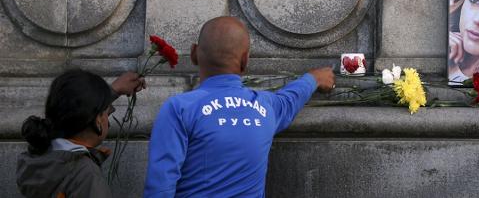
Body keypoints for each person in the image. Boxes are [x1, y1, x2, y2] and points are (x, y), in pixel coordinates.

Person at [143, 16, 335, 197]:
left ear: (194, 54)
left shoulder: (179, 109)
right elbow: (290, 98)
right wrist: (314, 78)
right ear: (245, 61)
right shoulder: (266, 107)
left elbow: (160, 187)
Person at [16, 70, 146, 198]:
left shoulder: (39, 158)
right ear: (98, 121)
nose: (108, 117)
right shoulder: (85, 175)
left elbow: (76, 106)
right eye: (107, 112)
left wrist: (112, 91)